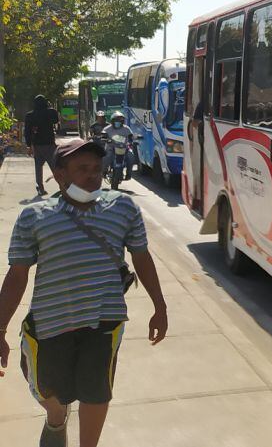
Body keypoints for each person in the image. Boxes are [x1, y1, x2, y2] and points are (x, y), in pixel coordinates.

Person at [0, 138, 168, 447]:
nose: (93, 176)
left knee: (96, 391)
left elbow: (141, 257)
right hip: (51, 324)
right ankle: (56, 417)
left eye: (96, 169)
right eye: (82, 169)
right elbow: (17, 275)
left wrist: (160, 306)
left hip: (104, 321)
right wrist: (0, 327)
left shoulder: (123, 208)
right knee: (49, 392)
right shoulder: (35, 216)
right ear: (60, 174)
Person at [25, 95, 61, 197]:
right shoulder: (51, 112)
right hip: (49, 144)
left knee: (38, 166)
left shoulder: (30, 115)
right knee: (55, 167)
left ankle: (40, 187)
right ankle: (62, 186)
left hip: (37, 145)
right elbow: (56, 120)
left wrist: (29, 145)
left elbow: (27, 131)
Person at [102, 112, 135, 181]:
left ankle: (128, 174)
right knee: (107, 157)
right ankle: (104, 171)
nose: (118, 122)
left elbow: (131, 137)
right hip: (111, 147)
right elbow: (103, 136)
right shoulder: (107, 129)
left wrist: (132, 141)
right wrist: (105, 139)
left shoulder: (126, 129)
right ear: (112, 121)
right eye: (116, 121)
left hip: (124, 147)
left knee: (131, 156)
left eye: (120, 121)